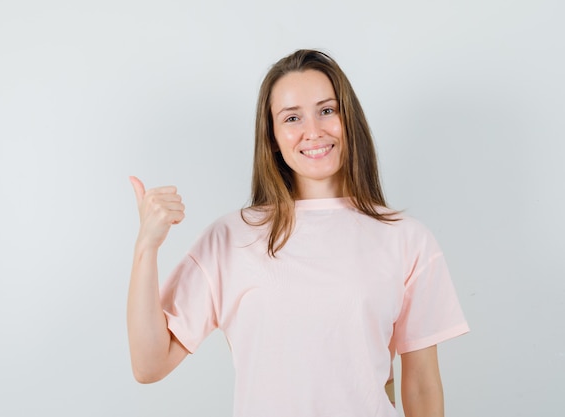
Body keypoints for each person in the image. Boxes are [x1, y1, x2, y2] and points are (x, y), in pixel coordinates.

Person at [127, 49, 469, 417]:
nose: (314, 131)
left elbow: (421, 384)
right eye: (292, 118)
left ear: (348, 119)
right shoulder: (230, 237)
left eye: (327, 110)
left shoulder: (407, 239)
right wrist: (146, 247)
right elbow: (149, 365)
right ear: (272, 137)